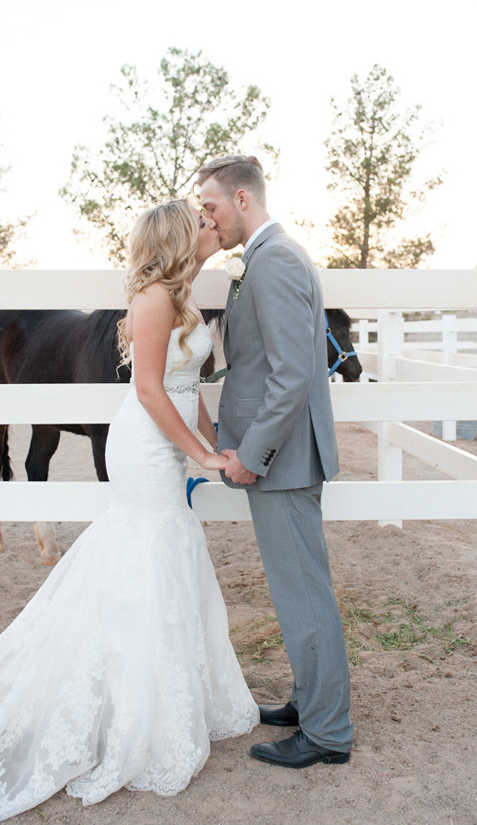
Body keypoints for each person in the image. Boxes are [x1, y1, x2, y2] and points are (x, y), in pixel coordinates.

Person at [0, 200, 259, 824]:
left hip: (171, 442)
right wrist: (199, 456)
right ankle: (129, 708)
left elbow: (189, 391)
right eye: (203, 227)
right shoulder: (156, 299)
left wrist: (215, 445)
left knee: (165, 557)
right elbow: (150, 390)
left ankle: (157, 698)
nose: (211, 231)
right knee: (144, 556)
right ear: (178, 240)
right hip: (145, 446)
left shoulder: (182, 297)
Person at [197, 155, 353, 768]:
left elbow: (292, 376)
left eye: (210, 205)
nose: (205, 216)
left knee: (304, 595)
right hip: (279, 459)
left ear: (242, 198)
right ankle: (309, 701)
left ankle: (327, 733)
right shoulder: (264, 259)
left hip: (282, 461)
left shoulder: (277, 259)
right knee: (297, 591)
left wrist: (253, 456)